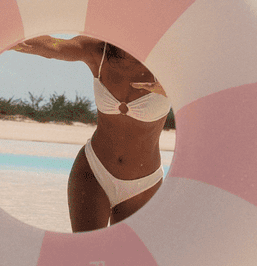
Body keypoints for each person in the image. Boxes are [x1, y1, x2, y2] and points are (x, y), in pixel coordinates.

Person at [10, 34, 170, 231]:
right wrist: (8, 40)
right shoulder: (98, 52)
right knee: (85, 255)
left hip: (144, 184)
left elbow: (206, 96)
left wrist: (174, 90)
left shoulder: (168, 64)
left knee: (125, 259)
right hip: (94, 172)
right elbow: (55, 46)